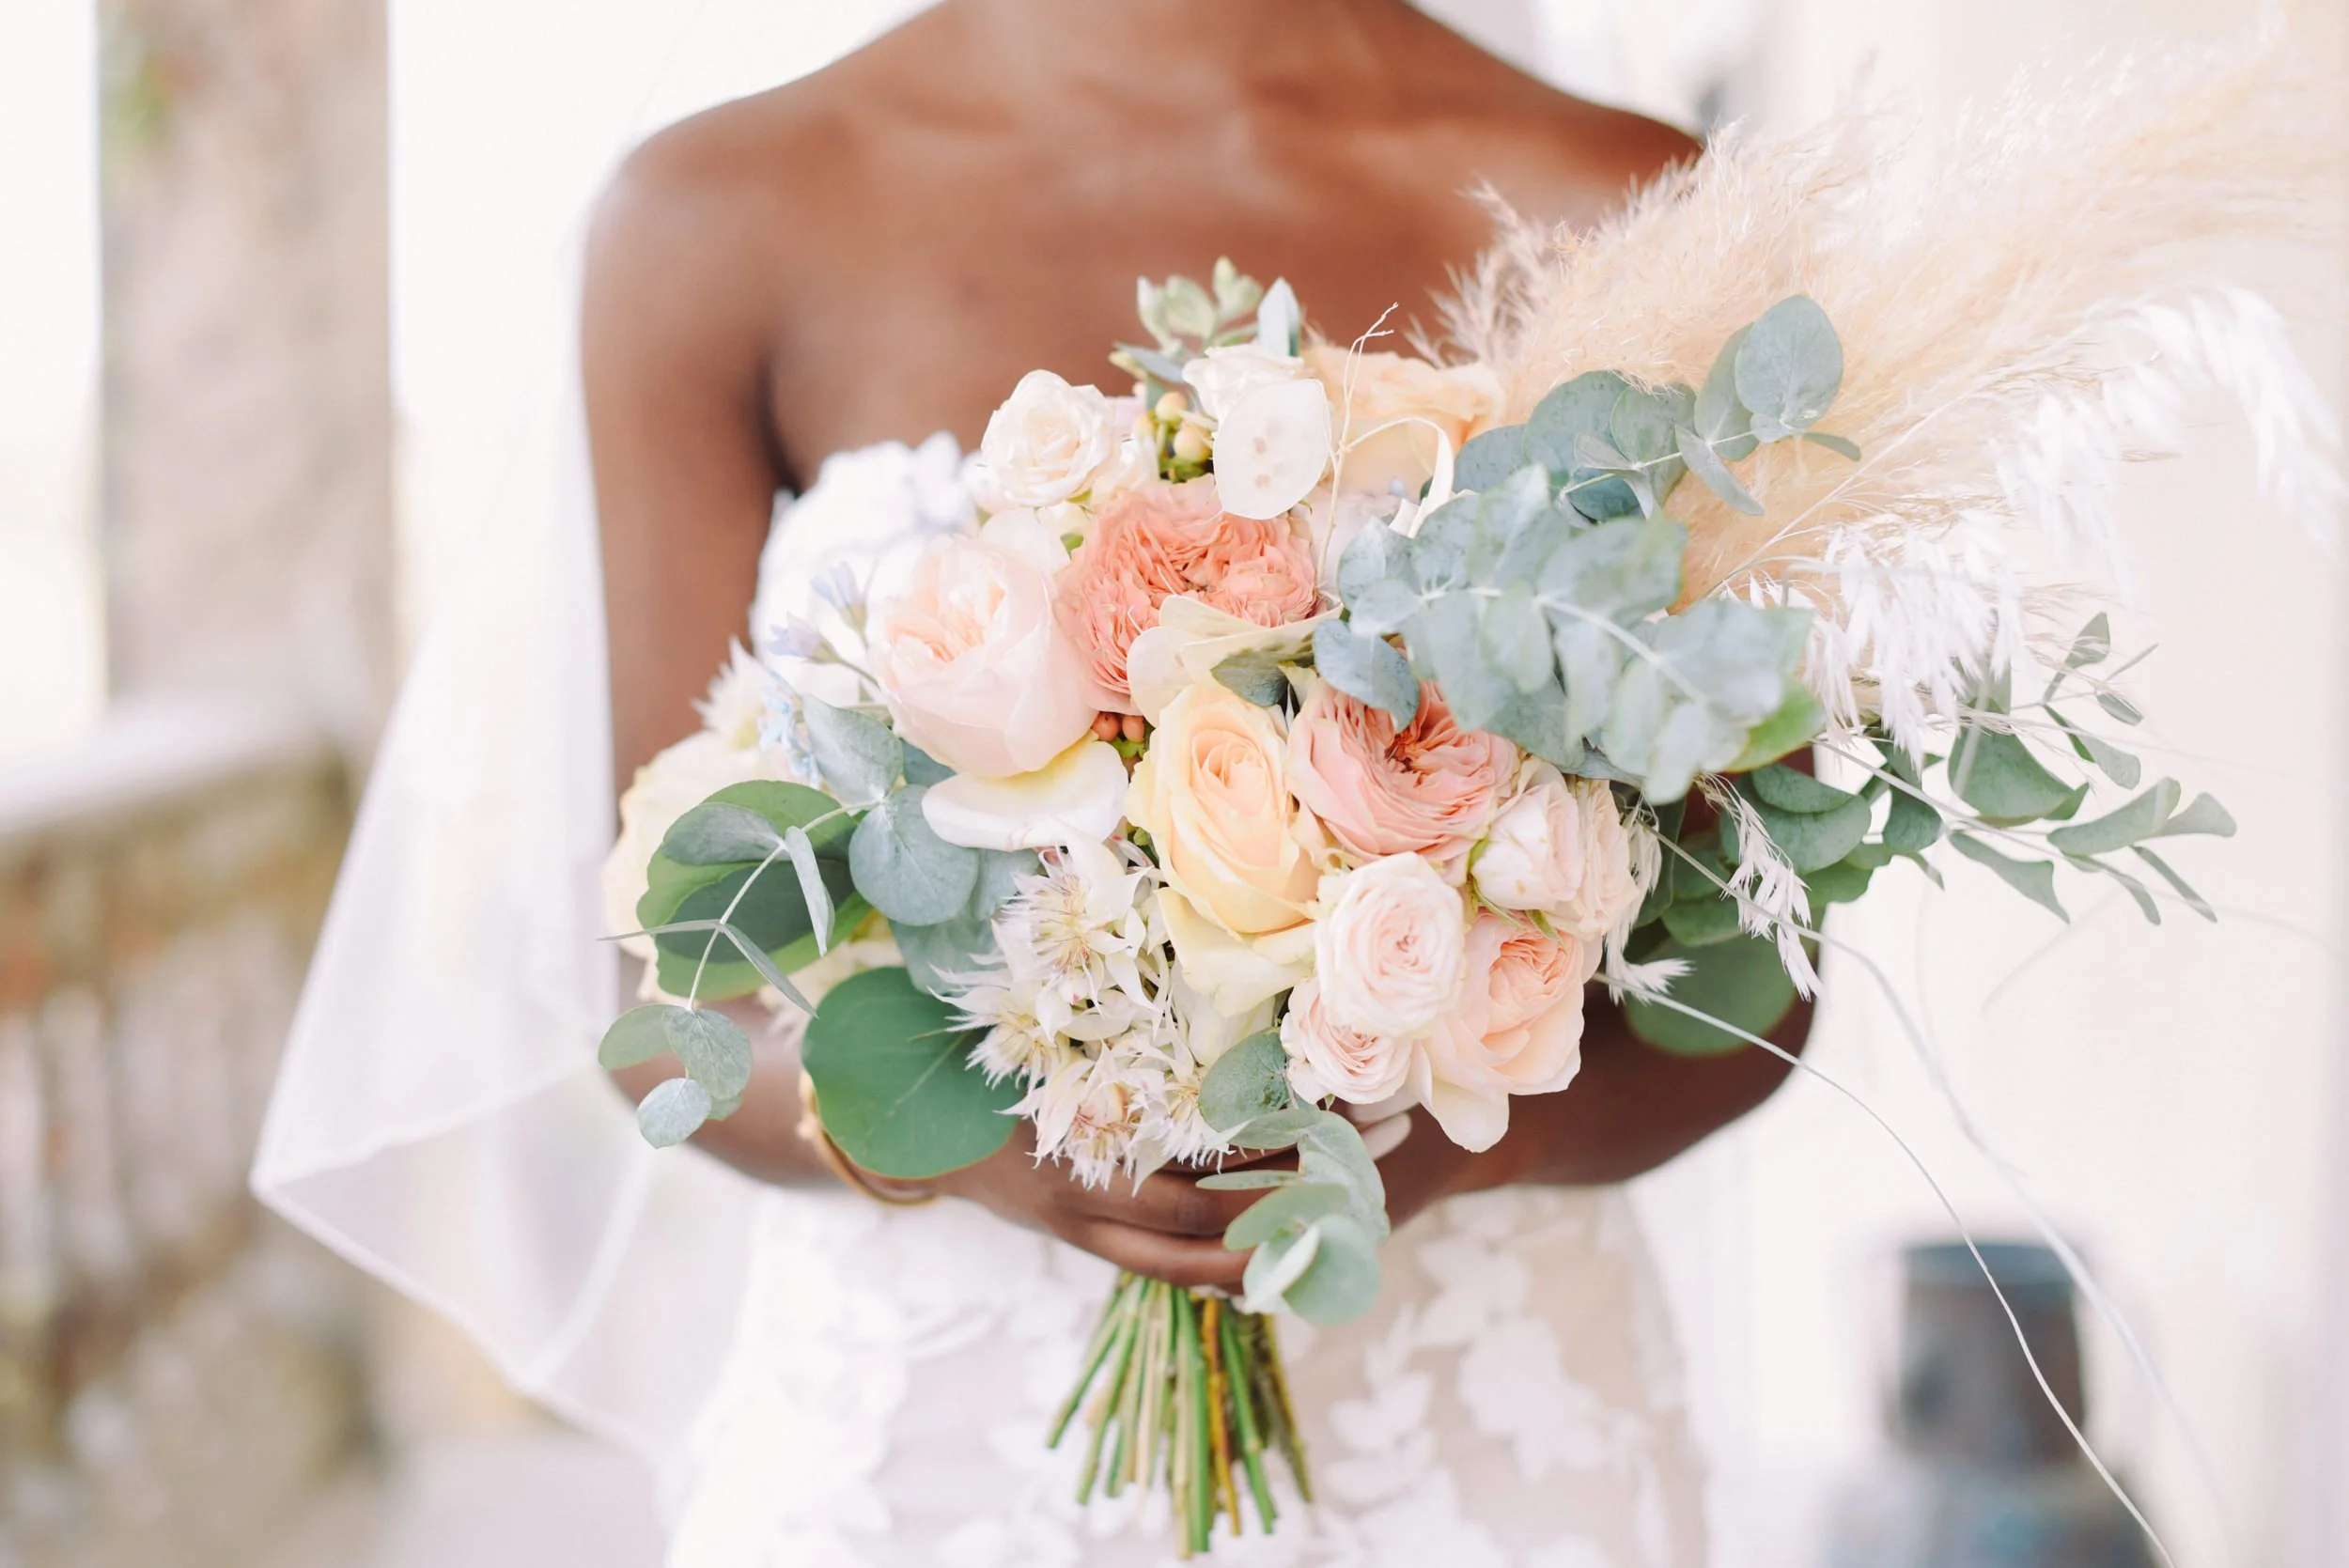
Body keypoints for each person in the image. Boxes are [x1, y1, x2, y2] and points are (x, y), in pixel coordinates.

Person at [267, 3, 1813, 1563]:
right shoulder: (711, 216)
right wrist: (948, 1138)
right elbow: (659, 978)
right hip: (921, 1460)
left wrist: (1458, 1137)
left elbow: (1761, 980)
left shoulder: (1637, 213)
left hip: (1485, 1438)